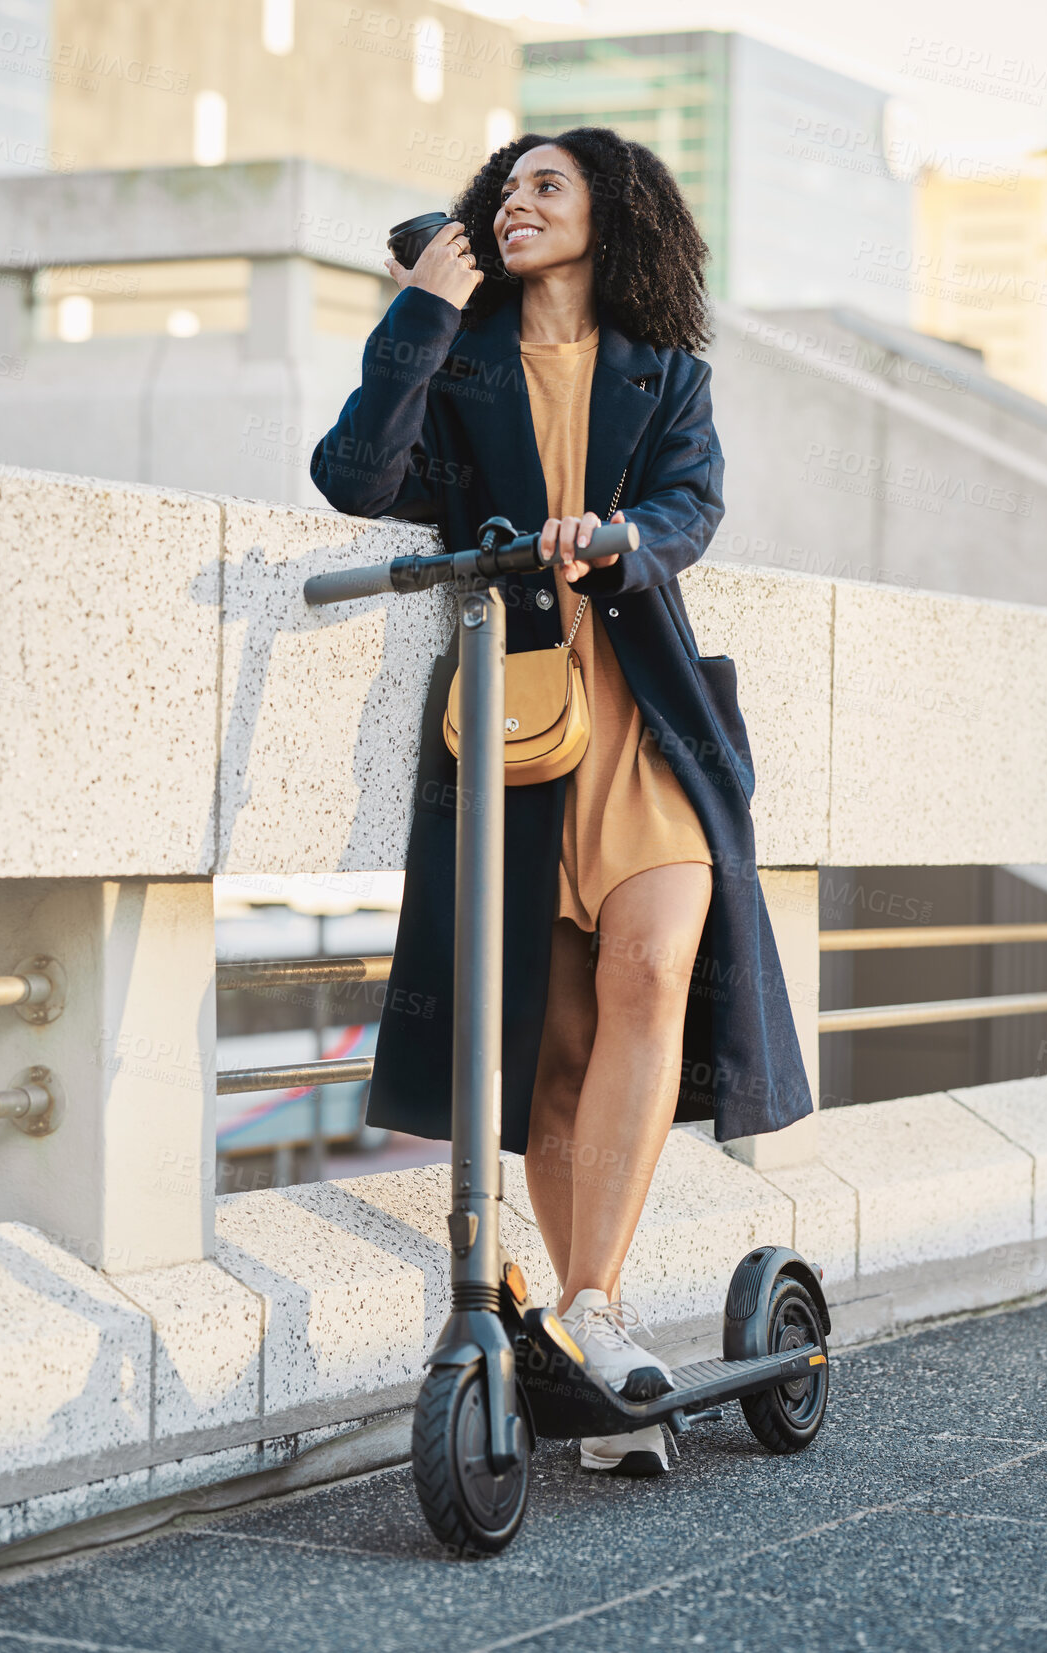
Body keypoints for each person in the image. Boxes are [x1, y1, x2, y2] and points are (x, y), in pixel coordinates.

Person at [311, 126, 812, 1477]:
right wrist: (424, 301)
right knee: (556, 1053)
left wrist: (624, 540)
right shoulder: (457, 352)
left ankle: (587, 1305)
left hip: (649, 724)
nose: (520, 203)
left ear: (613, 216)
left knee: (655, 968)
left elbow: (691, 504)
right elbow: (355, 478)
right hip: (522, 734)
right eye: (506, 189)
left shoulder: (667, 373)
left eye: (550, 186)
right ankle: (600, 1337)